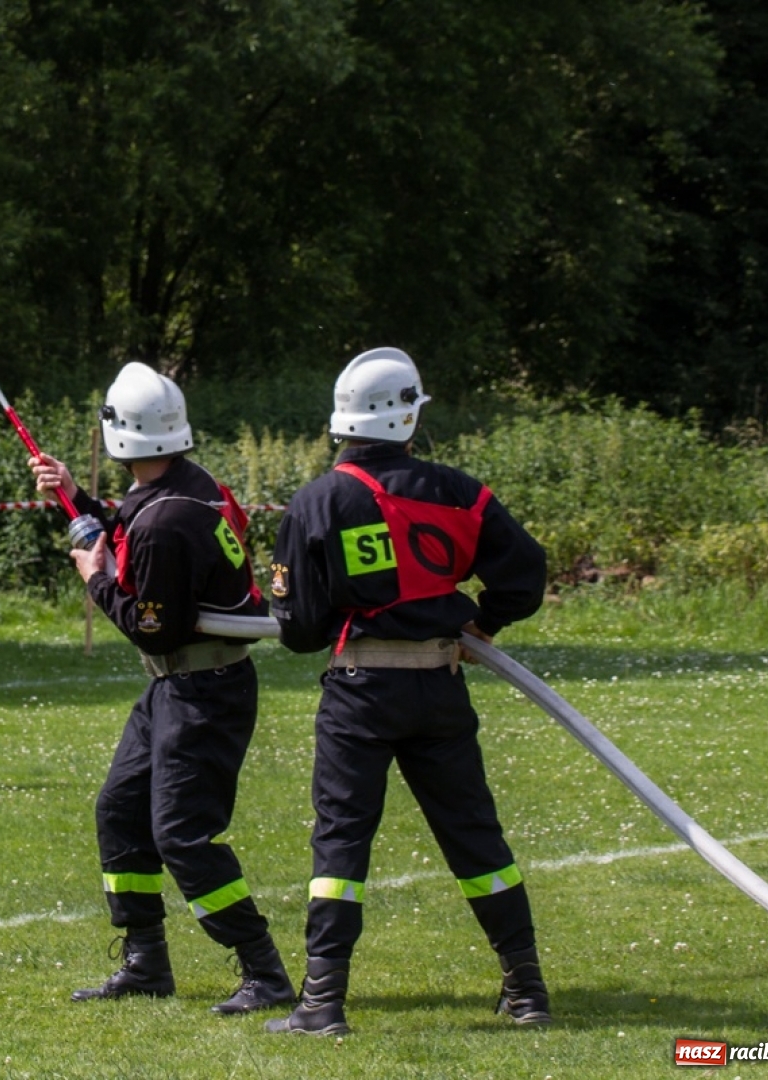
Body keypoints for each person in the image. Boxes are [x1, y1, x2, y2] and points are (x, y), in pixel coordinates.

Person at [263, 347, 551, 1036]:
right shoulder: (460, 492)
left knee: (342, 842)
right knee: (475, 836)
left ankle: (323, 1002)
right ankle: (527, 990)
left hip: (360, 691)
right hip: (440, 685)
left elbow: (299, 629)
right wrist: (482, 623)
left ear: (342, 420)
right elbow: (525, 571)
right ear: (410, 418)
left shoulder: (320, 500)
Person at [29, 361, 294, 1015]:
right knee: (120, 810)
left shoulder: (164, 520)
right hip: (178, 686)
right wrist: (75, 496)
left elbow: (152, 628)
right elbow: (129, 526)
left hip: (202, 688)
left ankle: (264, 971)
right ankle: (145, 962)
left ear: (119, 433)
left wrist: (94, 578)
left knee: (182, 833)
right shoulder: (184, 488)